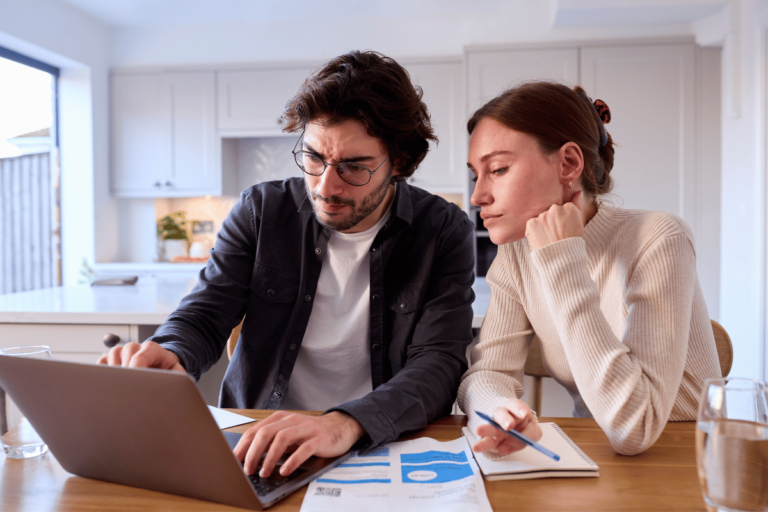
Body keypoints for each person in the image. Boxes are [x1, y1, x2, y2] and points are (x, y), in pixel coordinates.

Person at [99, 51, 475, 477]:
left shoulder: (442, 230)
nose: (325, 186)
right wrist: (171, 350)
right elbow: (206, 312)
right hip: (257, 439)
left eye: (354, 167)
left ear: (400, 164)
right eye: (314, 158)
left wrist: (345, 423)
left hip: (377, 443)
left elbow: (439, 363)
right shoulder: (261, 211)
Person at [458, 81, 720, 457]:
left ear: (568, 163)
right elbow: (487, 373)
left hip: (684, 459)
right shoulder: (517, 254)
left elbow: (635, 427)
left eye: (497, 169)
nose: (478, 196)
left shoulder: (658, 238)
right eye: (475, 174)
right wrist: (501, 413)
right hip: (596, 457)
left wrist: (563, 257)